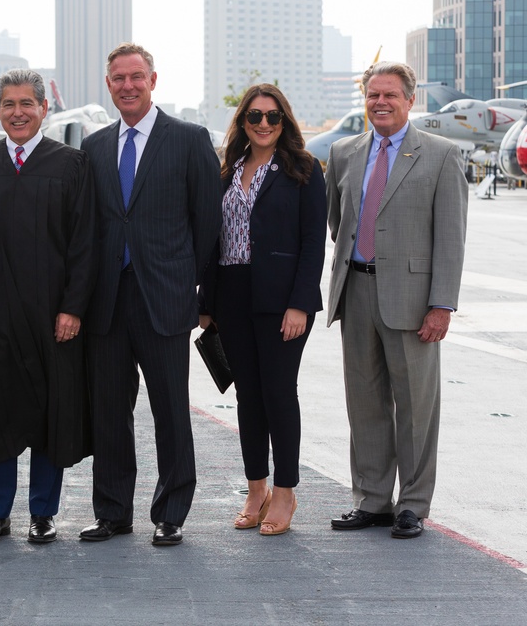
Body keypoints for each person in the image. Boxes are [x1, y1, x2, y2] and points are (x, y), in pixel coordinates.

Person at [0, 69, 97, 545]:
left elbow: (85, 244)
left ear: (43, 108)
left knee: (52, 413)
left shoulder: (71, 165)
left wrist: (73, 308)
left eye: (26, 104)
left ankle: (43, 513)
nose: (18, 113)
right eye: (9, 104)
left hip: (54, 318)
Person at [80, 43, 221, 546]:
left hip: (164, 299)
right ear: (108, 84)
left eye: (136, 77)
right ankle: (113, 511)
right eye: (118, 78)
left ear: (153, 80)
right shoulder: (94, 147)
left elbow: (208, 225)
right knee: (109, 413)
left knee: (170, 411)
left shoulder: (188, 139)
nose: (127, 86)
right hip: (107, 303)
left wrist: (198, 292)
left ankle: (172, 511)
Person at [326, 61, 468, 539]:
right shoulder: (345, 153)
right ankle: (371, 500)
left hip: (413, 301)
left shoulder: (441, 155)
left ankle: (411, 505)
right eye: (372, 95)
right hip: (357, 293)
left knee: (415, 408)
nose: (380, 102)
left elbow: (451, 238)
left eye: (390, 95)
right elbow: (338, 223)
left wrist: (441, 304)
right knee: (363, 403)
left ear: (410, 101)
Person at [198, 84, 326, 536]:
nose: (265, 124)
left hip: (281, 299)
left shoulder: (304, 169)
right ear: (244, 122)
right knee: (247, 397)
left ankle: (286, 492)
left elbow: (313, 242)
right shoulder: (226, 170)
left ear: (285, 121)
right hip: (231, 295)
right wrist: (207, 303)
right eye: (255, 116)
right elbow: (212, 240)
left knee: (277, 392)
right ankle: (257, 488)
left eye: (273, 117)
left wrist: (299, 304)